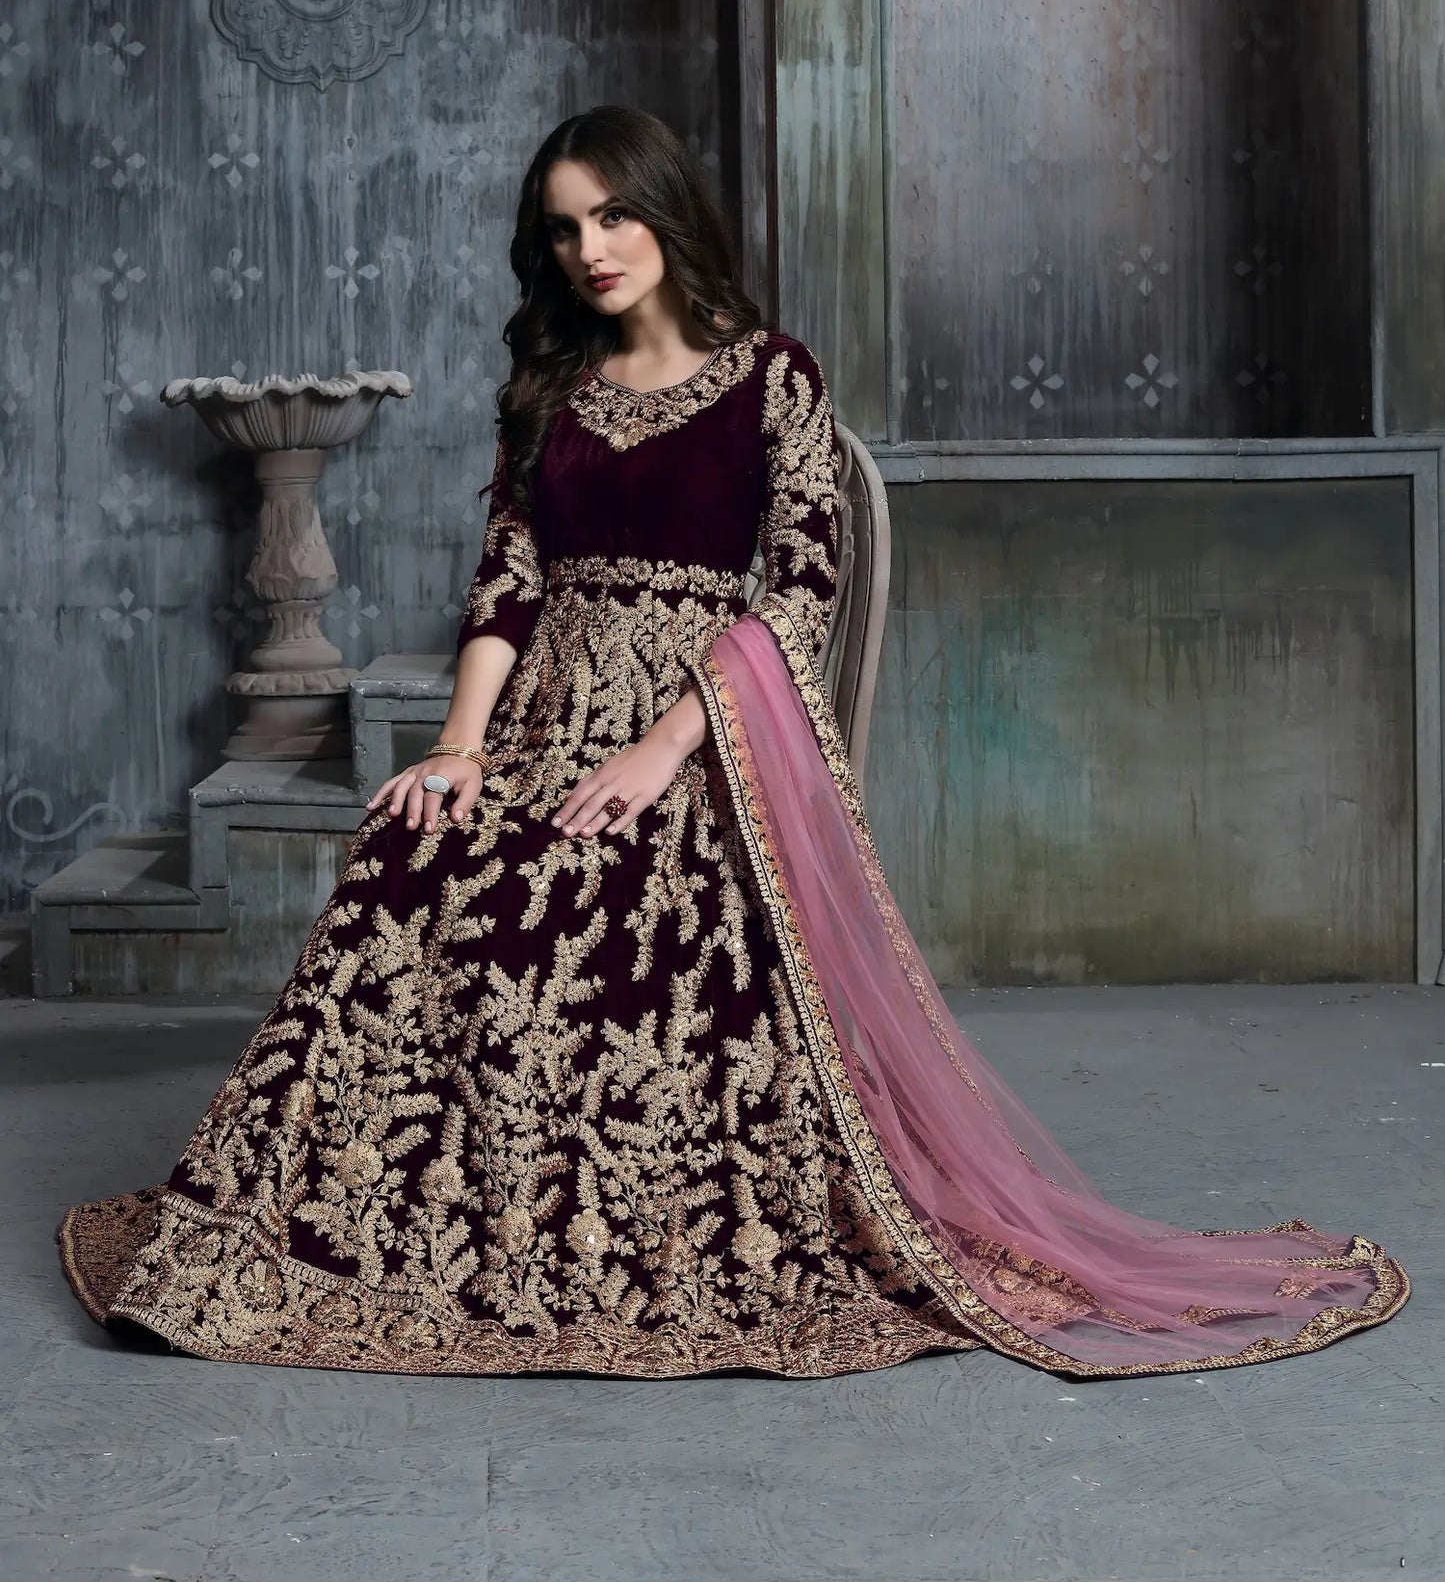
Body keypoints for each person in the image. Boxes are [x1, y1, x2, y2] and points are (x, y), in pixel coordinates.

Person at [57, 106, 1409, 1380]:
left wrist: (662, 751)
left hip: (707, 725)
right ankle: (374, 1234)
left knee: (606, 895)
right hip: (543, 712)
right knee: (417, 854)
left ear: (666, 213)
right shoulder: (548, 387)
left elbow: (800, 592)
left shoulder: (772, 377)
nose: (591, 250)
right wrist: (460, 749)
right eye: (564, 229)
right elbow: (508, 582)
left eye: (612, 217)